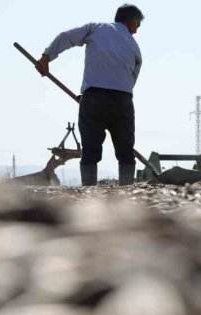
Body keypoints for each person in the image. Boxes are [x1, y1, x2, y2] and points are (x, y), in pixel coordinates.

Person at [36, 4, 145, 186]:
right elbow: (131, 78)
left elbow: (66, 37)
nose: (136, 31)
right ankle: (127, 193)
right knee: (125, 149)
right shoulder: (134, 47)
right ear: (132, 21)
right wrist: (114, 92)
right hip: (122, 101)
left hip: (94, 99)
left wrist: (46, 57)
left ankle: (88, 193)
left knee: (90, 148)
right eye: (137, 26)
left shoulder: (95, 29)